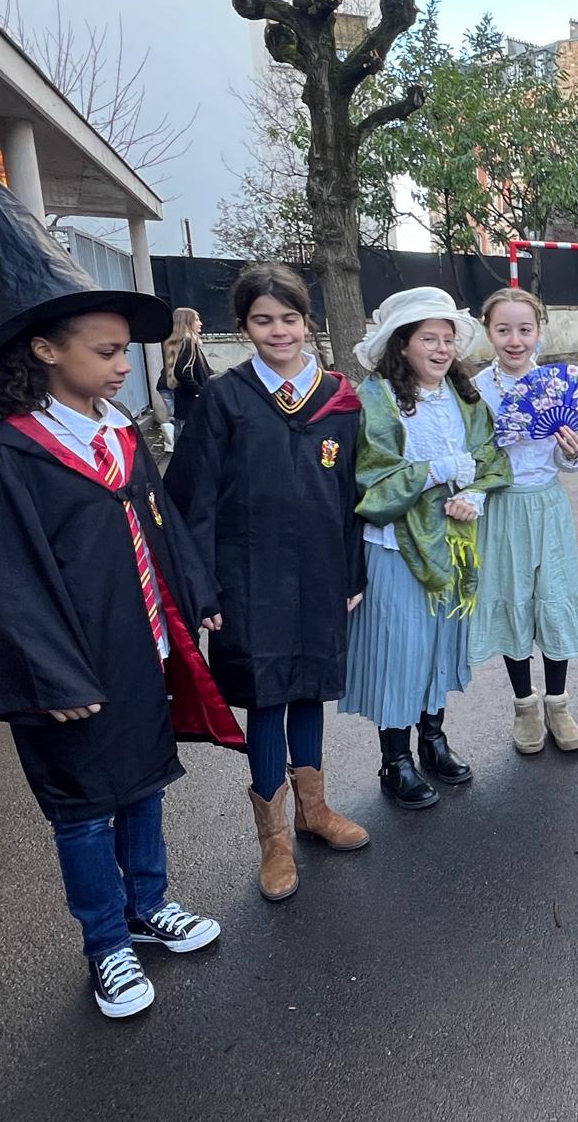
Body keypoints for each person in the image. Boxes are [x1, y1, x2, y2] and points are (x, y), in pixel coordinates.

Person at [0, 159, 234, 1019]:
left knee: (144, 784)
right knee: (83, 810)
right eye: (107, 351)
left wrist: (194, 596)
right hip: (73, 671)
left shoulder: (118, 436)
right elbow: (9, 582)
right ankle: (106, 943)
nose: (124, 367)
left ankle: (149, 905)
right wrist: (53, 677)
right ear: (45, 349)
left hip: (139, 645)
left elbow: (161, 526)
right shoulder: (13, 454)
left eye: (126, 351)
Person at [163, 264, 368, 903]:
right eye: (262, 320)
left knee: (308, 688)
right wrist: (202, 589)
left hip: (321, 572)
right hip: (248, 577)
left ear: (308, 322)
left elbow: (356, 494)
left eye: (289, 318)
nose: (278, 331)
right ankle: (274, 838)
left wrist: (351, 572)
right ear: (243, 327)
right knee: (267, 697)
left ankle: (315, 809)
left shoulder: (340, 399)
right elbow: (190, 502)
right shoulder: (225, 399)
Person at [341, 288, 511, 806]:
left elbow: (489, 457)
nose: (440, 349)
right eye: (427, 339)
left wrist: (476, 494)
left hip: (453, 544)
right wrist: (435, 472)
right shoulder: (374, 399)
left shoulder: (463, 397)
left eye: (447, 339)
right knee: (401, 652)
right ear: (402, 345)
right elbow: (370, 479)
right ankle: (395, 760)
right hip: (395, 548)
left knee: (438, 645)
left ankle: (432, 738)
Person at [467, 287, 578, 754]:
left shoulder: (556, 385)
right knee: (511, 600)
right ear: (489, 333)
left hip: (548, 506)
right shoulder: (475, 390)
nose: (514, 340)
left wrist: (570, 450)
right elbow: (469, 456)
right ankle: (525, 705)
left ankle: (559, 703)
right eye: (503, 330)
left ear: (540, 332)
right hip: (500, 508)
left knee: (553, 599)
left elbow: (566, 461)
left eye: (524, 329)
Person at [159, 307, 211, 451]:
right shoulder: (189, 342)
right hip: (187, 397)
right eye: (196, 320)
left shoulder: (178, 342)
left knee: (179, 425)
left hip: (177, 394)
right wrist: (199, 391)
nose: (200, 323)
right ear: (187, 322)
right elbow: (183, 371)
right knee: (188, 433)